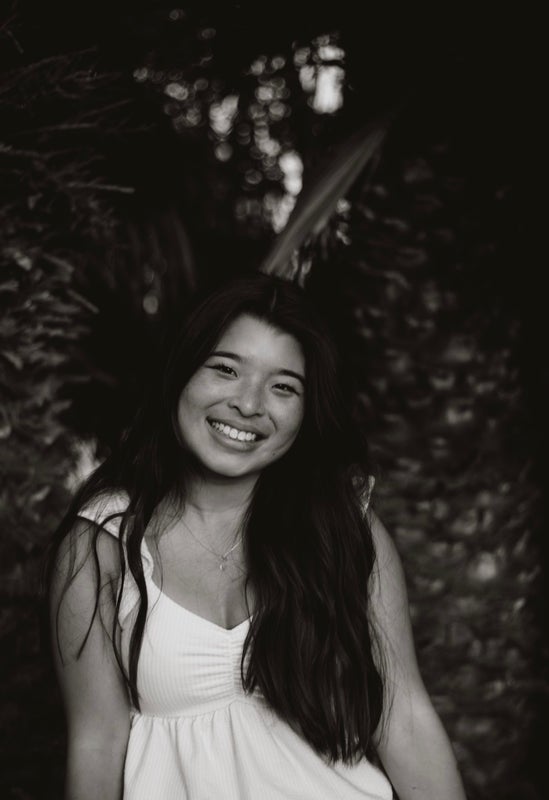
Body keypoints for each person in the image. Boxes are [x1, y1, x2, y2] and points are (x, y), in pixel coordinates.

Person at [47, 271, 467, 800]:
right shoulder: (102, 544)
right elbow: (96, 742)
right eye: (226, 369)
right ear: (180, 371)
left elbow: (404, 717)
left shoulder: (342, 527)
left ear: (306, 410)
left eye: (283, 386)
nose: (249, 404)